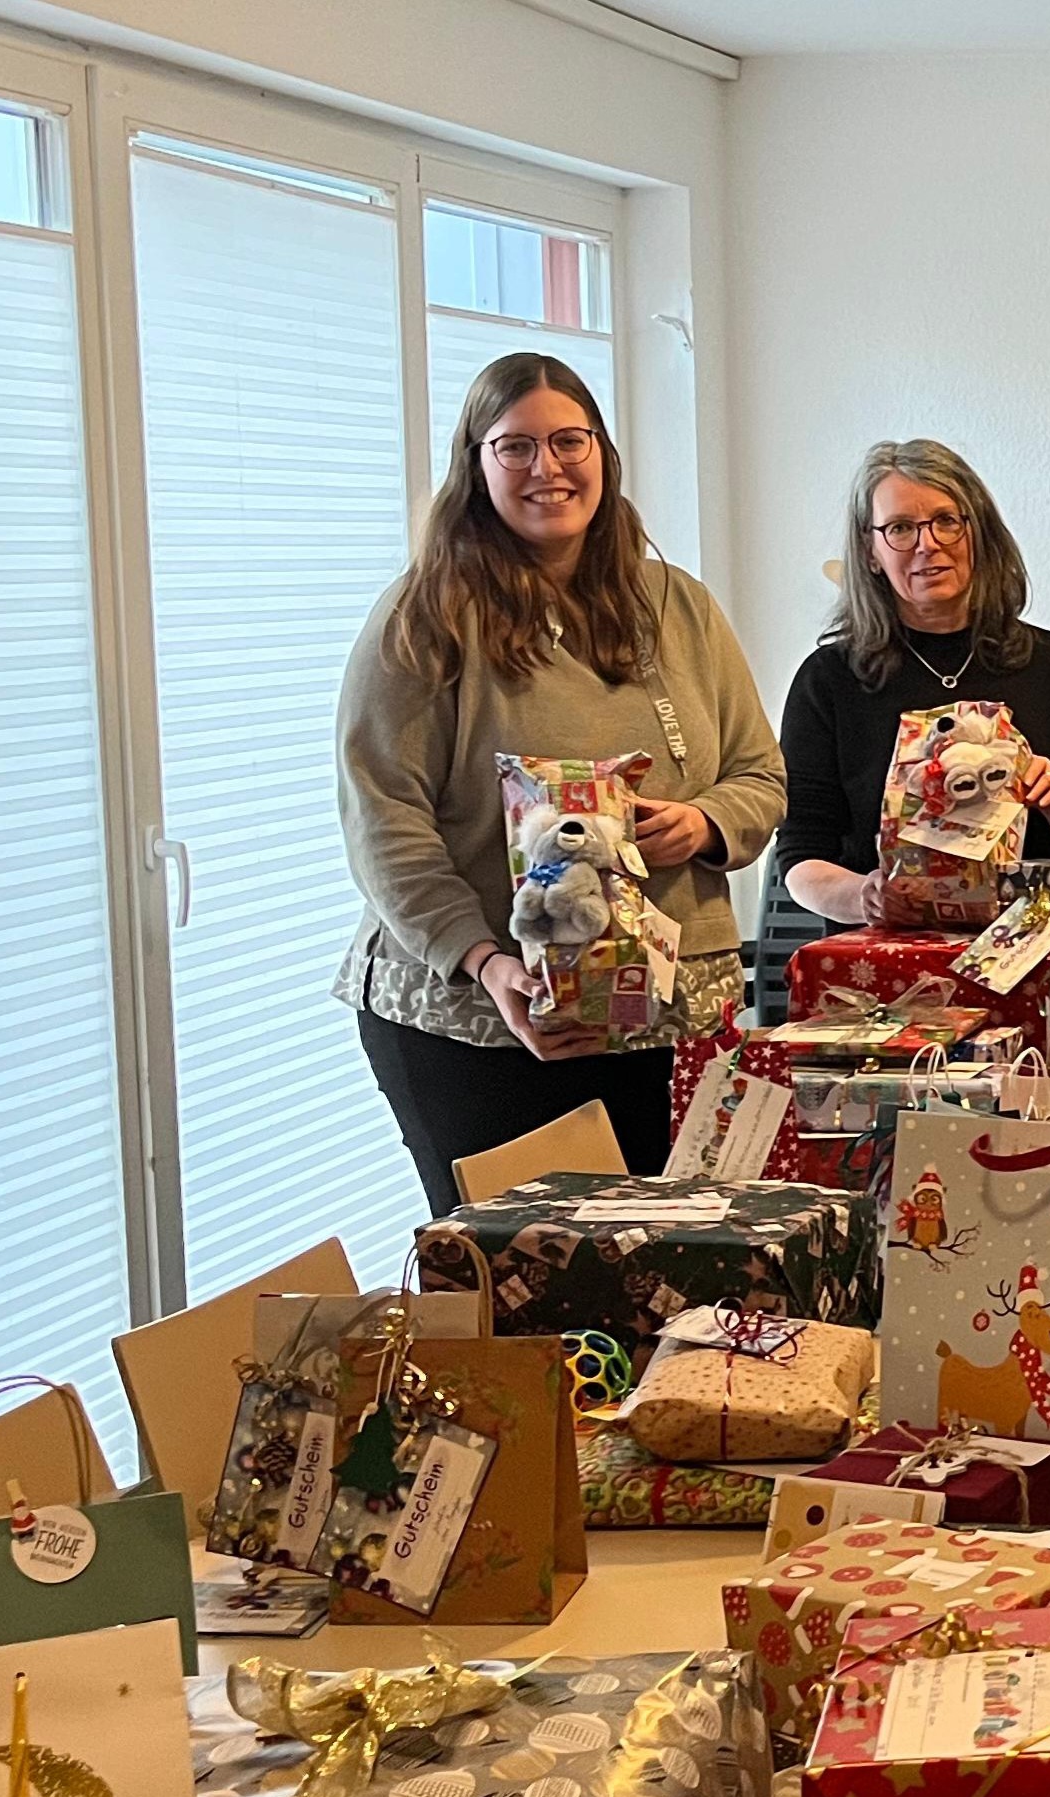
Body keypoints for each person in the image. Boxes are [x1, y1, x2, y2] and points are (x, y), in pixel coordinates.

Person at [334, 353, 782, 1211]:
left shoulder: (677, 607)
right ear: (476, 464)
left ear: (603, 453)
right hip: (481, 1022)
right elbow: (383, 821)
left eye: (569, 440)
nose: (548, 468)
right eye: (516, 447)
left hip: (666, 1016)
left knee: (667, 1275)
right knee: (522, 1293)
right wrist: (488, 964)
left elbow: (759, 773)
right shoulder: (424, 618)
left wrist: (704, 823)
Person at [772, 440, 1050, 929]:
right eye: (901, 528)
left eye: (947, 521)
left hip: (1033, 955)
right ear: (870, 551)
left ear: (979, 534)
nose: (928, 544)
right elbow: (802, 854)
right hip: (883, 972)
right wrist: (861, 896)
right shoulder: (829, 679)